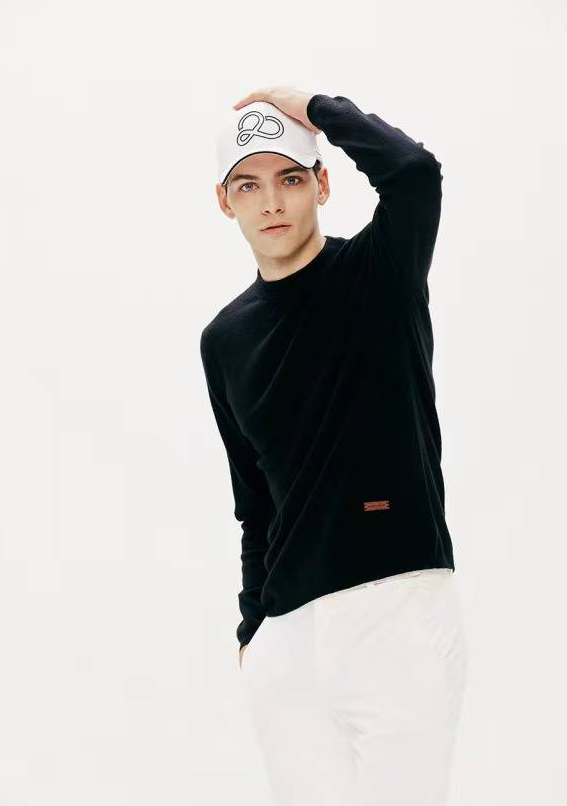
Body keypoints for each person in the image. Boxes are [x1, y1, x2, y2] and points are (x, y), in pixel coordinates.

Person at [200, 85, 468, 805]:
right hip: (287, 643)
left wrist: (316, 107)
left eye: (289, 178)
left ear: (322, 184)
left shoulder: (380, 274)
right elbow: (255, 500)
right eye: (248, 186)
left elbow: (413, 172)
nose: (271, 203)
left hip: (397, 611)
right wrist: (253, 627)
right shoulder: (224, 340)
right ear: (224, 202)